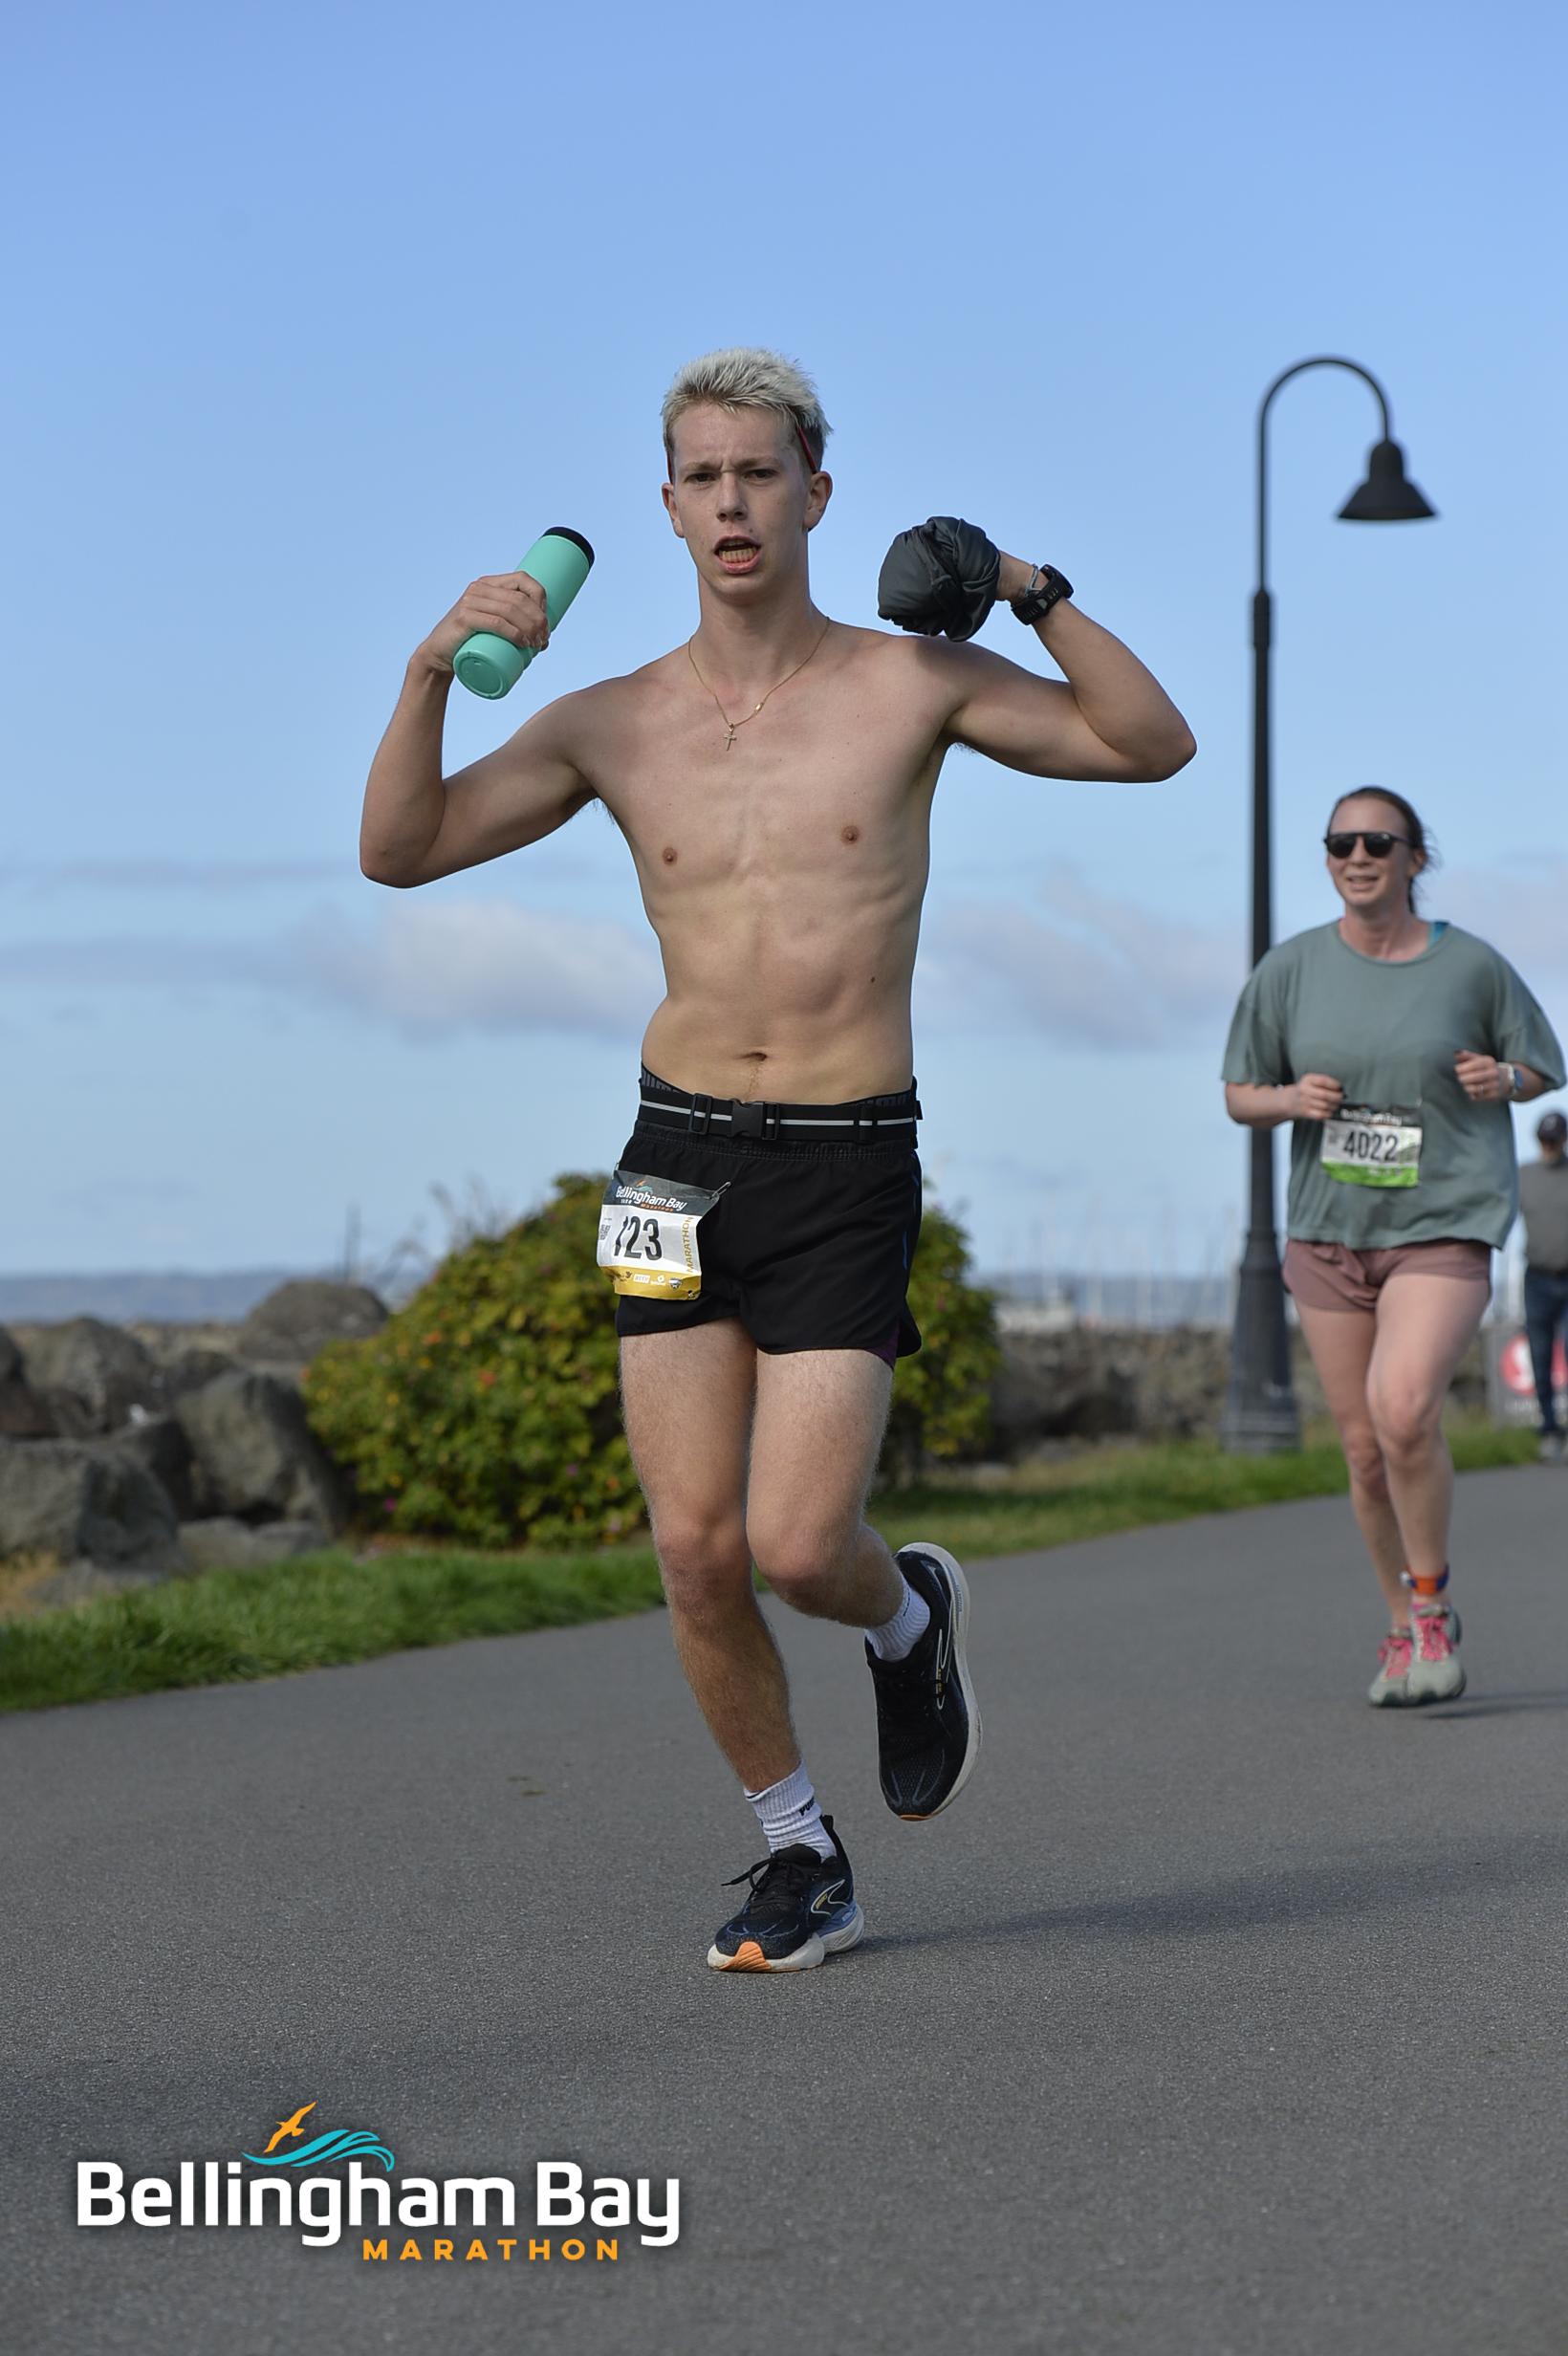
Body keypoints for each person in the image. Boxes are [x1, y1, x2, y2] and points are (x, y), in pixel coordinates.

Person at [360, 347, 1195, 1968]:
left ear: (817, 491)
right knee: (692, 1548)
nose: (732, 501)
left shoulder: (911, 684)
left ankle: (907, 1614)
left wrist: (1025, 586)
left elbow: (1149, 741)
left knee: (801, 1546)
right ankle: (799, 1850)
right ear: (669, 507)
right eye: (704, 476)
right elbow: (399, 851)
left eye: (759, 472)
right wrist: (424, 673)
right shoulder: (610, 721)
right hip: (672, 1158)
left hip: (846, 1153)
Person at [1221, 788, 1565, 1707]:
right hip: (1329, 1232)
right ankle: (1402, 1621)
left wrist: (1505, 1077)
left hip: (1442, 1220)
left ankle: (1432, 1606)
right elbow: (1240, 1092)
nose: (1358, 857)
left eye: (1378, 841)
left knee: (1404, 1409)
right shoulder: (1290, 969)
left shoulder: (1472, 966)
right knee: (1365, 1450)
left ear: (1417, 857)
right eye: (1341, 843)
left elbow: (1544, 1065)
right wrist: (1289, 1099)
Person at [1519, 1109, 1568, 1462]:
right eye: (1544, 1140)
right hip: (1537, 1279)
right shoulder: (1523, 1176)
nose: (1549, 1146)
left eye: (1555, 1140)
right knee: (1540, 1356)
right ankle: (1549, 1429)